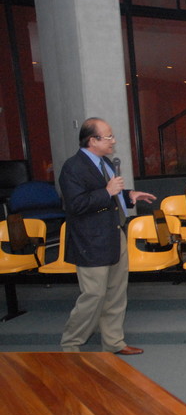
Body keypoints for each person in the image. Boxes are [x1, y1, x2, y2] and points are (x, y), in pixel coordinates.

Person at [59, 117, 157, 354]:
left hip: (114, 235)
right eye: (109, 136)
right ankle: (70, 345)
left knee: (115, 293)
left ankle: (113, 342)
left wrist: (129, 195)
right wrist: (107, 192)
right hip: (90, 242)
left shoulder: (105, 163)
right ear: (92, 140)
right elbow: (76, 205)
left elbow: (111, 196)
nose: (114, 140)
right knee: (93, 295)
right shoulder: (73, 167)